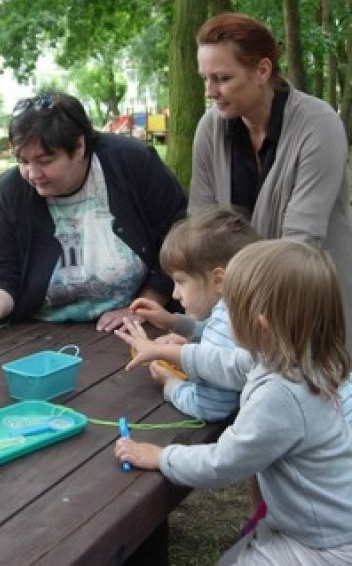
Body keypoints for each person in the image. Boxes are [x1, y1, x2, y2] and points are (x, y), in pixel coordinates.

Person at [115, 239, 352, 564]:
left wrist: (160, 456)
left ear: (260, 325)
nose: (222, 319)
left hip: (323, 545)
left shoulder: (281, 394)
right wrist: (168, 352)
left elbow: (223, 463)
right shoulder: (298, 357)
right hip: (326, 523)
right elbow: (226, 363)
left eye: (228, 309)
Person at [189, 12, 352, 359]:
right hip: (240, 312)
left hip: (310, 308)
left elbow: (300, 240)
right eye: (205, 79)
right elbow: (201, 227)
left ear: (262, 71)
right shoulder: (209, 129)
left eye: (222, 78)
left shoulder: (319, 125)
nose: (209, 92)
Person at [0, 91, 187, 333]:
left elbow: (179, 234)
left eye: (45, 161)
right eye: (23, 161)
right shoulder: (10, 190)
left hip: (137, 326)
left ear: (79, 146)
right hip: (38, 333)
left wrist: (144, 306)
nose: (33, 175)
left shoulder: (132, 162)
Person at [124, 207, 259, 422]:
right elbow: (221, 338)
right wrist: (173, 322)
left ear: (218, 281)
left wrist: (171, 385)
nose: (175, 294)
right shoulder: (248, 305)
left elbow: (211, 408)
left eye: (180, 281)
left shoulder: (226, 323)